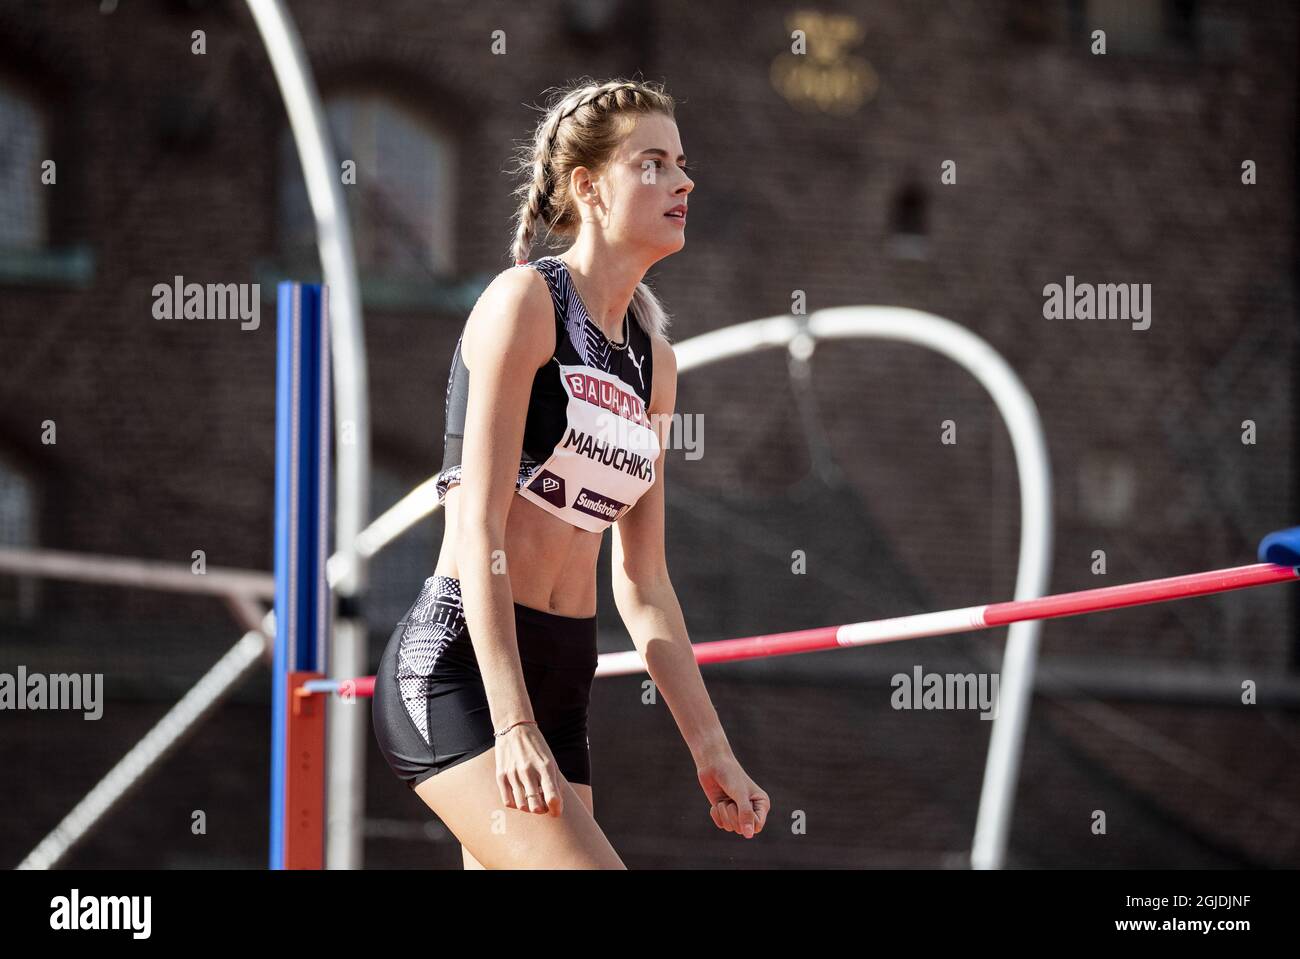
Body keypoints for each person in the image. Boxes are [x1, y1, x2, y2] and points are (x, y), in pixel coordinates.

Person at [372, 77, 769, 869]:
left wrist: (712, 749)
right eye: (652, 163)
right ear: (587, 187)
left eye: (682, 162)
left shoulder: (655, 362)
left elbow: (645, 580)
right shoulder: (524, 303)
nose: (682, 181)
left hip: (562, 685)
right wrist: (512, 722)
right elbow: (476, 523)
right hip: (464, 670)